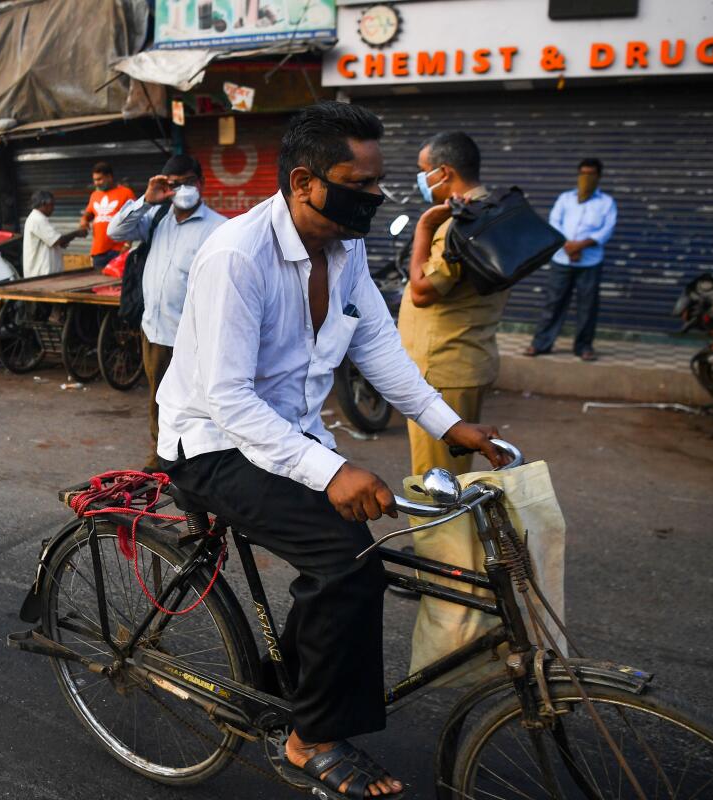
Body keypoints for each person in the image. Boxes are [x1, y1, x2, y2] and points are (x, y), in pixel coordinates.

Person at [158, 102, 507, 800]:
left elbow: (380, 348)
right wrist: (334, 469)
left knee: (357, 556)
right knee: (344, 561)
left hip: (286, 437)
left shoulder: (343, 250)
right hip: (213, 444)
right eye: (361, 183)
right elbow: (229, 400)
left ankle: (297, 683)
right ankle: (309, 737)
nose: (377, 195)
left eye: (379, 183)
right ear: (303, 182)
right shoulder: (236, 258)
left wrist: (447, 424)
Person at [399, 131, 507, 477]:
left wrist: (424, 227)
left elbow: (421, 290)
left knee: (439, 486)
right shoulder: (492, 209)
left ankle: (447, 535)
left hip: (443, 369)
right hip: (466, 357)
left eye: (423, 170)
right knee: (455, 474)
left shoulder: (458, 225)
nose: (420, 179)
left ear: (443, 172)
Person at [108, 154, 226, 470]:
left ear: (201, 183)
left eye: (189, 181)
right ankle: (162, 455)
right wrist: (147, 199)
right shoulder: (155, 219)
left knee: (199, 403)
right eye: (175, 184)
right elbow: (115, 232)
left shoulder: (219, 228)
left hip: (195, 337)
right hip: (156, 330)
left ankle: (199, 460)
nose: (183, 189)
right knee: (160, 399)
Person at [525, 158, 618, 361]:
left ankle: (584, 347)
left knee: (587, 306)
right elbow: (554, 223)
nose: (586, 178)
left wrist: (580, 246)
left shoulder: (606, 203)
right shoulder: (565, 199)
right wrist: (568, 246)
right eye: (583, 174)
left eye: (591, 174)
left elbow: (606, 231)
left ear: (599, 177)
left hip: (590, 262)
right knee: (553, 302)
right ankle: (541, 344)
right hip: (562, 259)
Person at [79, 162, 135, 270]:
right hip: (98, 251)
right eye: (94, 180)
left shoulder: (126, 193)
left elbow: (133, 220)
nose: (96, 183)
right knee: (98, 285)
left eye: (99, 179)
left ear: (109, 177)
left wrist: (127, 245)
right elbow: (89, 212)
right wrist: (84, 219)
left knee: (118, 285)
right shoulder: (95, 195)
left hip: (119, 250)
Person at [22, 191, 85, 278]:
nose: (53, 208)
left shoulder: (38, 218)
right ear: (44, 204)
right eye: (52, 205)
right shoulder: (37, 219)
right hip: (41, 275)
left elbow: (52, 241)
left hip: (44, 274)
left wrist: (61, 243)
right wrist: (77, 233)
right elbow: (56, 240)